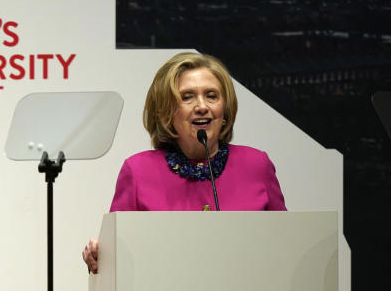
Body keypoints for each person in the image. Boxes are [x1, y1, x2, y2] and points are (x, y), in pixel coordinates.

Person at [82, 52, 286, 273]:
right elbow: (118, 255)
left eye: (211, 96)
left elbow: (287, 245)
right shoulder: (138, 171)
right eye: (187, 97)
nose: (201, 106)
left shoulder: (256, 165)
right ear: (166, 113)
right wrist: (100, 254)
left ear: (225, 110)